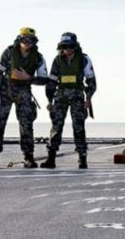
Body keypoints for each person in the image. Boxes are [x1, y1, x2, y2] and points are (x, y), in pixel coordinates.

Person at [0, 27, 49, 169]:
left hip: (24, 92)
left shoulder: (38, 57)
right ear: (19, 39)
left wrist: (28, 78)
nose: (27, 42)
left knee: (26, 125)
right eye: (24, 39)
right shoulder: (9, 52)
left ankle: (28, 157)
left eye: (30, 40)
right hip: (5, 91)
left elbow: (44, 80)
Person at [42, 32, 97, 170]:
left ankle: (82, 158)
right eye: (65, 46)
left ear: (75, 46)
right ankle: (51, 157)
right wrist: (49, 100)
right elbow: (52, 81)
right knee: (56, 126)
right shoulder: (57, 60)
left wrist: (88, 98)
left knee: (78, 127)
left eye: (71, 46)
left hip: (77, 97)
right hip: (60, 97)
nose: (68, 49)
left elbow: (91, 81)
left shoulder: (84, 59)